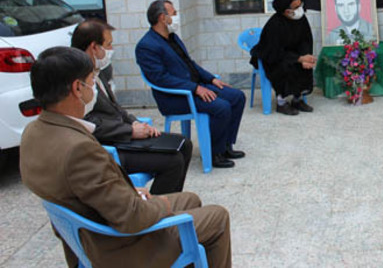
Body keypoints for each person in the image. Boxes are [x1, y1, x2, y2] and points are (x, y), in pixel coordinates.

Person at [20, 47, 231, 267]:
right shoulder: (78, 150)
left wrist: (129, 191)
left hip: (91, 225)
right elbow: (131, 218)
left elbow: (86, 190)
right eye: (91, 81)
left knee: (190, 199)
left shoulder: (34, 132)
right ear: (77, 88)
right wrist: (161, 205)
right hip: (117, 246)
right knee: (217, 217)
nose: (94, 88)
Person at [71, 18, 192, 195]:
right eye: (108, 44)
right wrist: (130, 131)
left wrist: (135, 123)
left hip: (122, 134)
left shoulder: (98, 71)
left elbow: (115, 107)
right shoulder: (79, 80)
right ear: (94, 47)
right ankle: (155, 207)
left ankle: (172, 201)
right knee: (173, 161)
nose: (111, 50)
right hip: (108, 145)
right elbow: (88, 123)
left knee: (184, 144)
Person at [136, 0, 246, 169]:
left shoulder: (173, 37)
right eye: (174, 13)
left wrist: (211, 79)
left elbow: (190, 64)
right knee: (221, 107)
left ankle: (225, 145)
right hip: (176, 97)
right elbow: (160, 78)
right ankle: (213, 153)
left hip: (195, 87)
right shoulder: (146, 46)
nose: (177, 16)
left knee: (237, 97)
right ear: (162, 18)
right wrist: (195, 88)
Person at [250, 0, 316, 115]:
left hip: (293, 54)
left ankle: (297, 100)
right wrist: (299, 58)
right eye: (296, 7)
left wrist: (305, 57)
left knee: (304, 66)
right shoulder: (274, 25)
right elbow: (274, 52)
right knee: (284, 67)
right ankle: (281, 103)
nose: (300, 9)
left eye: (300, 5)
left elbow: (306, 40)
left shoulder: (301, 19)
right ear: (286, 11)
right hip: (271, 57)